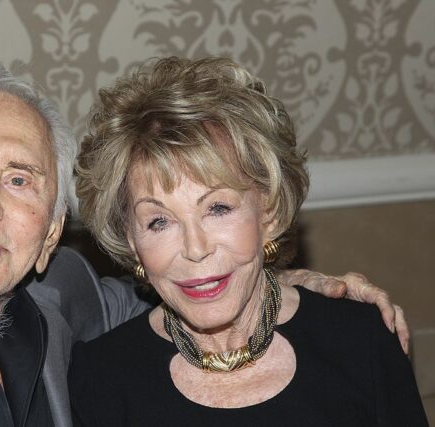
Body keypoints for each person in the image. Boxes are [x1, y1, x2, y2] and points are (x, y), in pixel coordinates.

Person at [0, 53, 410, 427]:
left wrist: (289, 281)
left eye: (19, 180)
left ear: (52, 232)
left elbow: (194, 280)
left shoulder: (67, 301)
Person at [70, 56, 427, 426]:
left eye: (218, 208)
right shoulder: (98, 381)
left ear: (268, 212)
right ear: (131, 239)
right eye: (160, 221)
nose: (195, 248)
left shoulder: (360, 341)